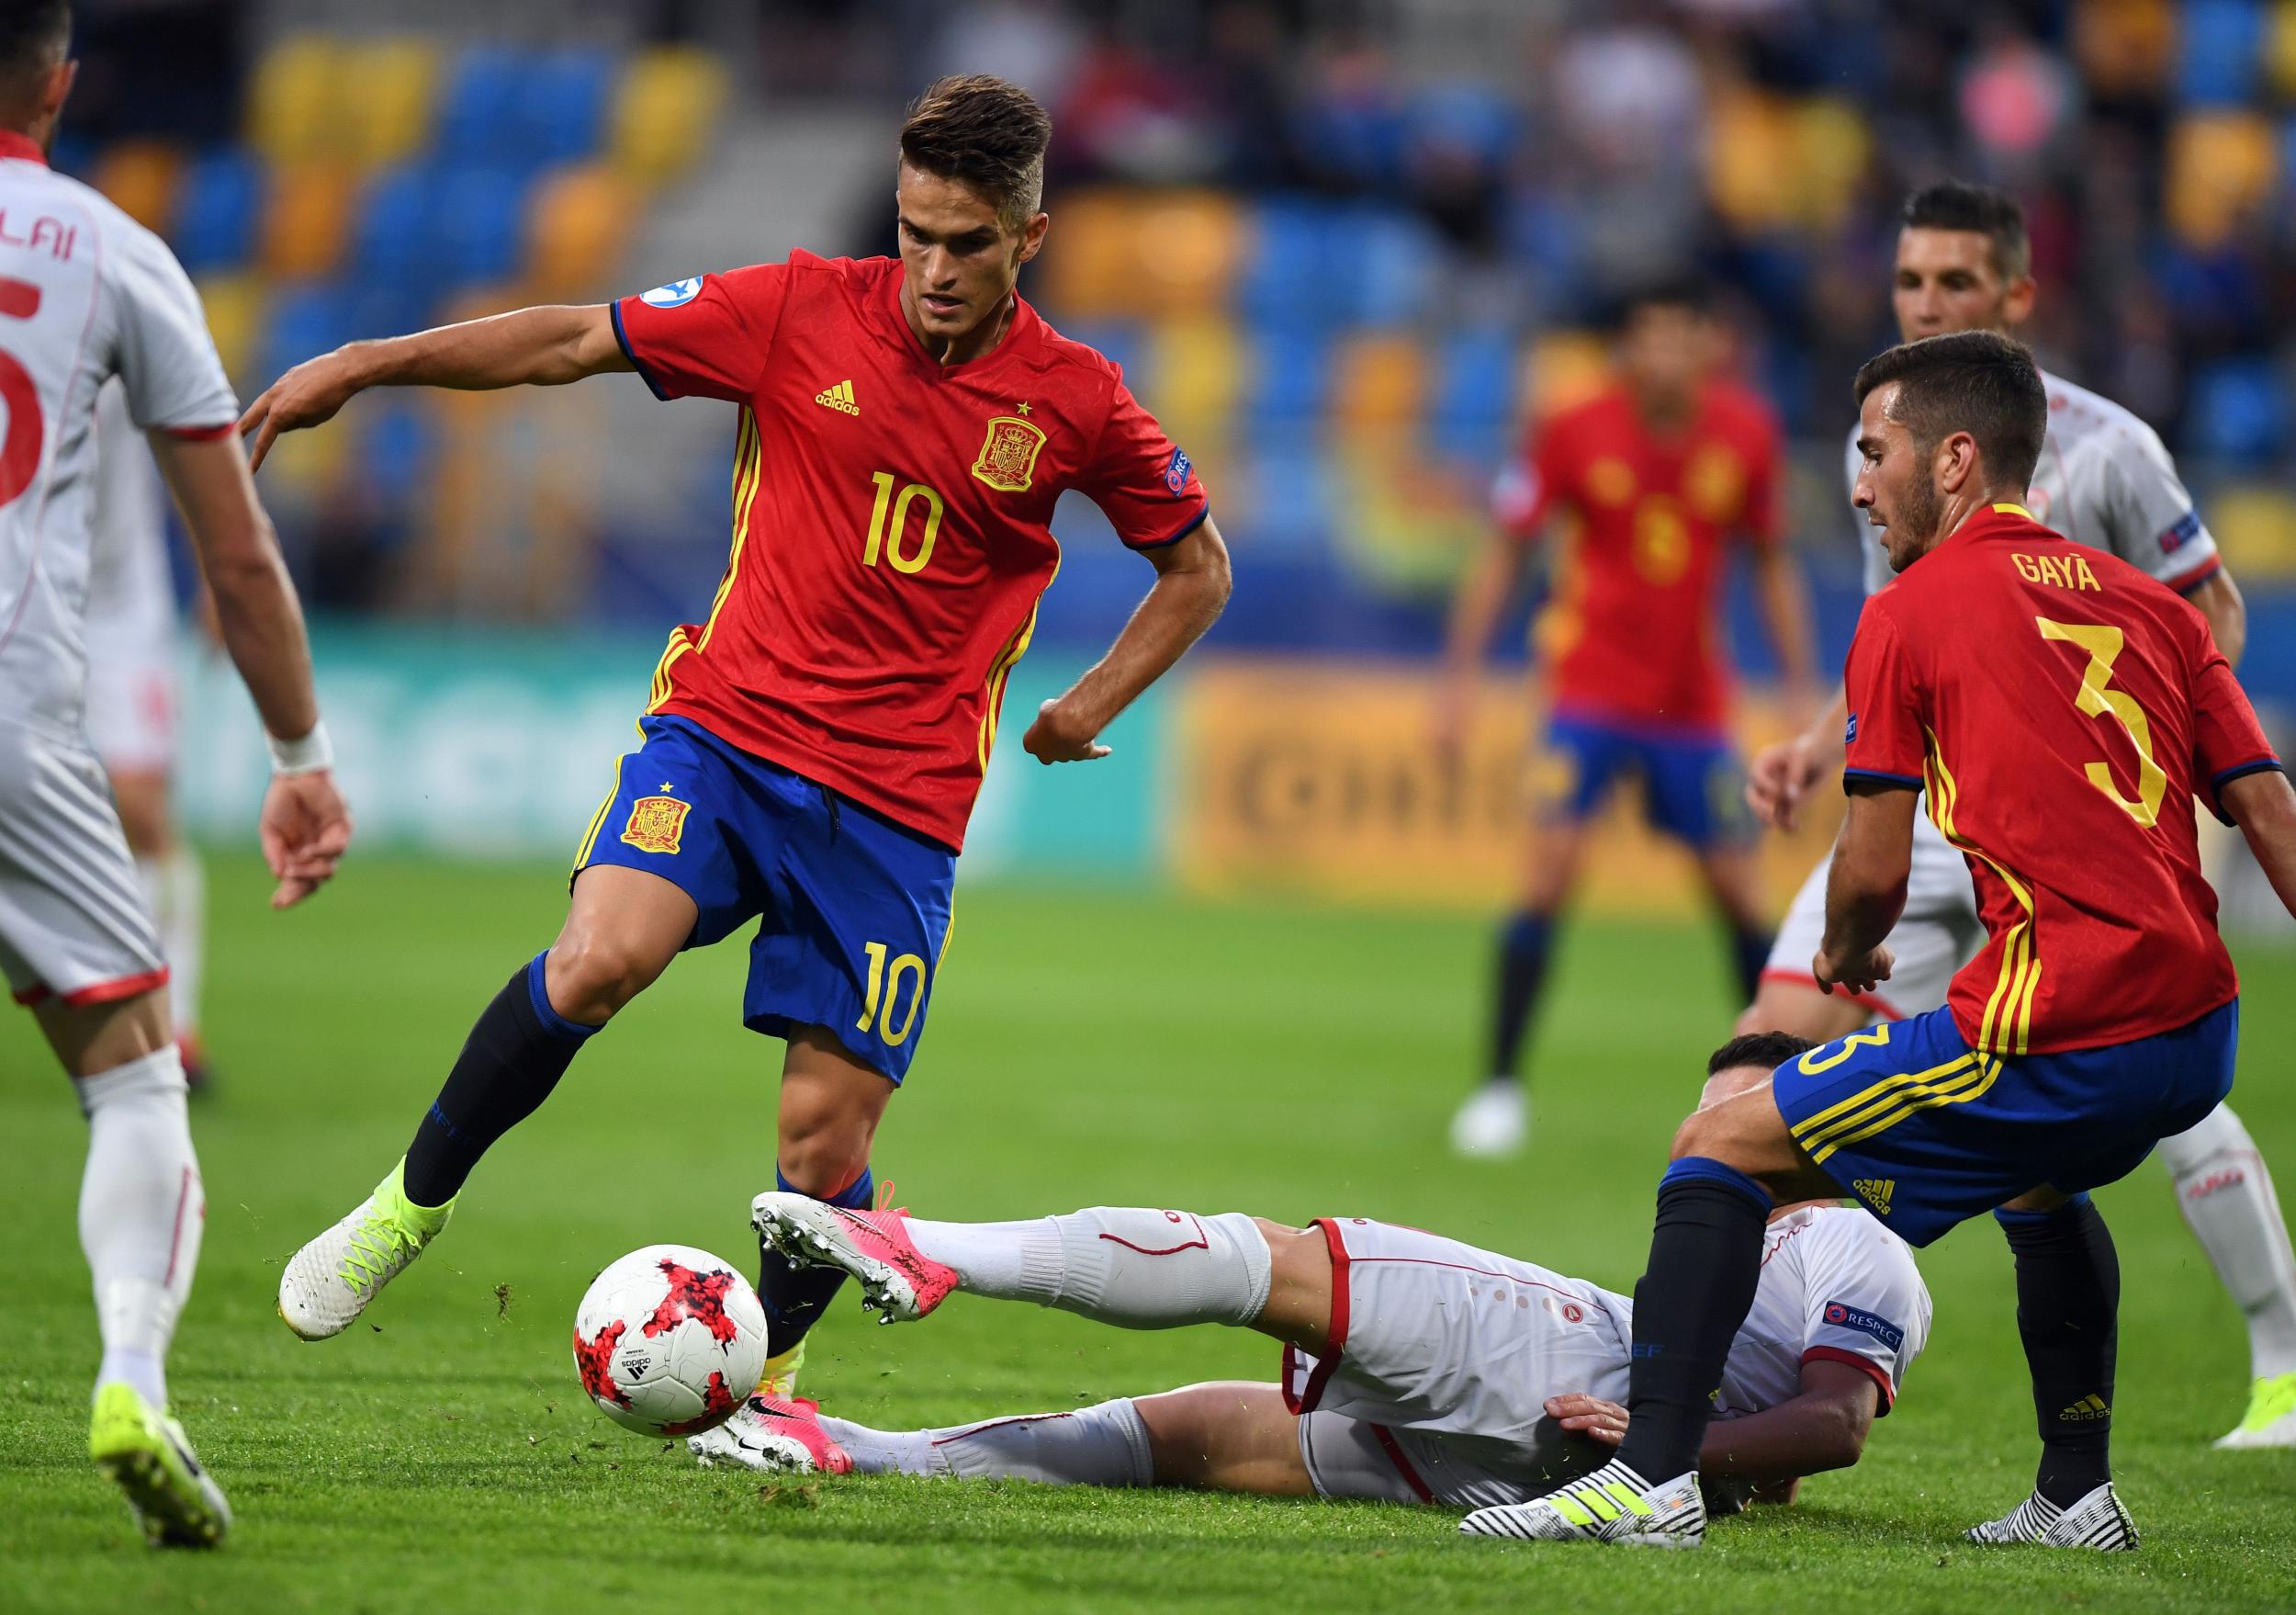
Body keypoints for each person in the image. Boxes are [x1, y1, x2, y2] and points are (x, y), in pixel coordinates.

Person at [245, 75, 1232, 1405]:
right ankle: (404, 1210)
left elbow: (1198, 568)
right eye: (915, 232)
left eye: (968, 243)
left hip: (895, 806)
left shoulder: (1079, 399)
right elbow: (569, 343)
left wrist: (1089, 705)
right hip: (723, 734)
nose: (933, 269)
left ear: (1030, 237)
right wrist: (361, 365)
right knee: (600, 957)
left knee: (820, 1153)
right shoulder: (797, 306)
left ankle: (774, 1374)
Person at [1460, 331, 2296, 1552]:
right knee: (2035, 1171)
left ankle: (1647, 1477)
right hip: (2198, 1034)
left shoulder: (1911, 609)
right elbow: (2269, 809)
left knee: (1722, 1140)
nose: (1856, 485)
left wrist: (1850, 951)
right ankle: (2076, 1496)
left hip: (2062, 1014)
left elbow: (1874, 866)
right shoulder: (2151, 611)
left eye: (1874, 451)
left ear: (1955, 461)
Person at [1742, 182, 2296, 1451]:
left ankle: (2282, 1357)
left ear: (2015, 297)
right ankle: (1758, 1360)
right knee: (1762, 1054)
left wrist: (2138, 745)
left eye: (1953, 283)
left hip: (2083, 814)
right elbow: (1901, 642)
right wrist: (1818, 748)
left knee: (2153, 1087)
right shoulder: (1875, 435)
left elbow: (2209, 615)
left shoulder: (2108, 448)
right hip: (1923, 816)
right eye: (1909, 283)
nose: (1927, 302)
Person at [691, 1031, 1930, 1516]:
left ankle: (929, 1247)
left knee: (1263, 1258)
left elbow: (1834, 1418)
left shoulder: (1859, 1243)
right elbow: (1776, 1423)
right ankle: (854, 1445)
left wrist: (1661, 1448)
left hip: (1566, 1370)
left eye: (1734, 1110)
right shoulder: (1750, 1235)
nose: (1701, 1135)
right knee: (1197, 1436)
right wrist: (1666, 1450)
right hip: (1550, 1443)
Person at [0, 1, 352, 1548]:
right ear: (61, 82)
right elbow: (239, 551)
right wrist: (300, 760)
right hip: (15, 720)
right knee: (134, 1073)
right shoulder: (117, 255)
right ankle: (134, 1374)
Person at [1438, 280, 1816, 1158]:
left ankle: (1778, 1093)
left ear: (1709, 346)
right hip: (1589, 693)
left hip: (1691, 706)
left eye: (1685, 337)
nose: (1668, 357)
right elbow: (1505, 551)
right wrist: (1458, 679)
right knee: (1545, 878)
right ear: (1626, 349)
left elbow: (1770, 563)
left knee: (1739, 896)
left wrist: (1801, 691)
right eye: (1651, 338)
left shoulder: (1747, 433)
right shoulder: (1572, 429)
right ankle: (1497, 1091)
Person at [81, 379, 212, 1088]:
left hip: (121, 611)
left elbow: (193, 454)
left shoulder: (123, 310)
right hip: (23, 594)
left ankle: (174, 1028)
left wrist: (220, 575)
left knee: (141, 808)